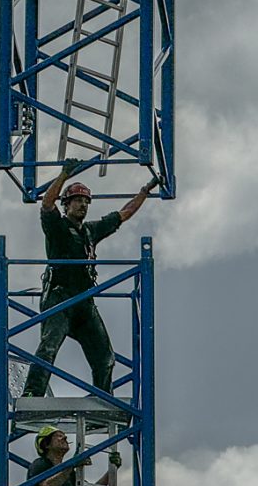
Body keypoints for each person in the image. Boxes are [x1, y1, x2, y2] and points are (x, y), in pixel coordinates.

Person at [21, 159, 158, 398]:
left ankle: (102, 399)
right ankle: (33, 393)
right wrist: (64, 174)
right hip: (60, 299)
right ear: (66, 205)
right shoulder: (57, 227)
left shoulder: (90, 231)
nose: (83, 205)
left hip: (84, 302)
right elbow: (46, 203)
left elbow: (123, 215)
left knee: (105, 358)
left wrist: (144, 192)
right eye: (77, 201)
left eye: (85, 202)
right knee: (49, 347)